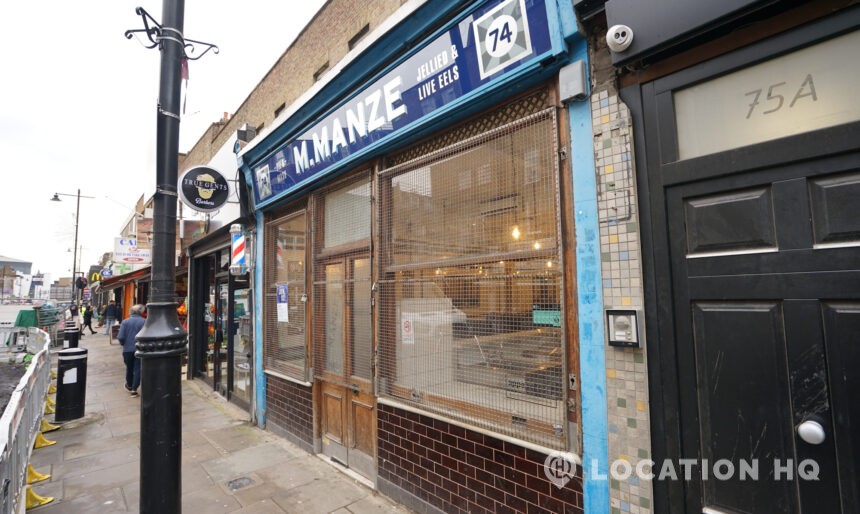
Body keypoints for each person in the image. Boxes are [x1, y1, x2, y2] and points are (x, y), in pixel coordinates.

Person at [117, 304, 146, 397]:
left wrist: (123, 344)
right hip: (140, 348)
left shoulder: (125, 322)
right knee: (138, 368)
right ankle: (134, 389)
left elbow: (120, 336)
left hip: (127, 349)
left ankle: (129, 385)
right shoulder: (145, 322)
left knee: (129, 368)